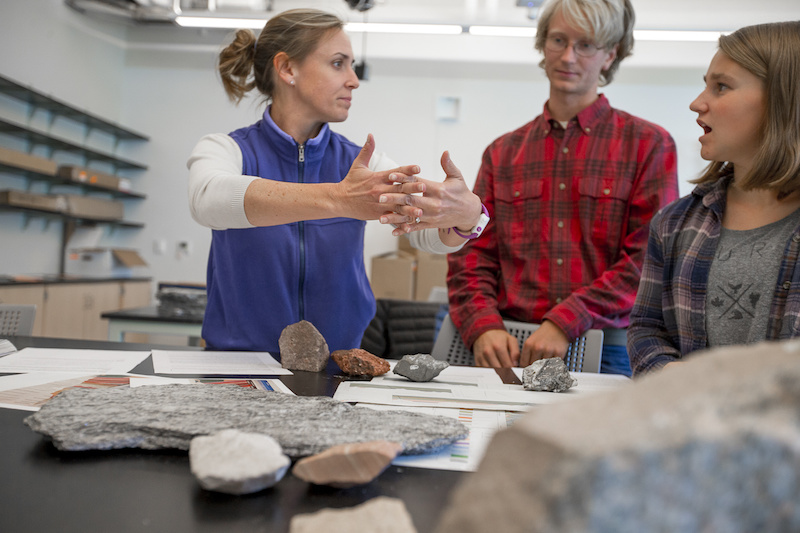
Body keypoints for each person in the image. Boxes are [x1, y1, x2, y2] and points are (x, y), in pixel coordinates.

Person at [187, 8, 483, 354]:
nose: (354, 80)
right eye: (338, 63)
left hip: (338, 369)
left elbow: (430, 236)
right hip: (239, 367)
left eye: (352, 65)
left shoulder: (362, 164)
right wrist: (338, 199)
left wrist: (466, 216)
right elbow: (208, 200)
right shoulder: (227, 149)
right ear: (287, 68)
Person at [446, 0, 679, 375]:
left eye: (585, 44)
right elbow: (473, 253)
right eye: (558, 40)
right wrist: (482, 323)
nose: (568, 56)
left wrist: (565, 320)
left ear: (609, 55)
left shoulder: (649, 145)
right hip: (507, 345)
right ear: (543, 44)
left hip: (605, 348)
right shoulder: (502, 152)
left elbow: (648, 259)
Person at [628, 21, 800, 376]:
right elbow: (647, 328)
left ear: (783, 100)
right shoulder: (674, 224)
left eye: (721, 87)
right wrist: (674, 385)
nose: (697, 103)